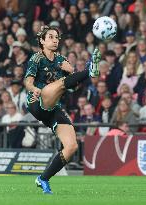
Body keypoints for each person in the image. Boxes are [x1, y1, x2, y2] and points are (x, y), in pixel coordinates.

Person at [24, 25, 101, 194]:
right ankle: (90, 70)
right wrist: (33, 89)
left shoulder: (61, 59)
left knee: (71, 146)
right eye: (50, 37)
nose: (55, 40)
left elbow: (72, 83)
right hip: (37, 102)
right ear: (42, 41)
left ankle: (43, 179)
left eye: (57, 37)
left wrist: (73, 72)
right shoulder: (37, 58)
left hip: (54, 107)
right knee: (52, 87)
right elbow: (28, 81)